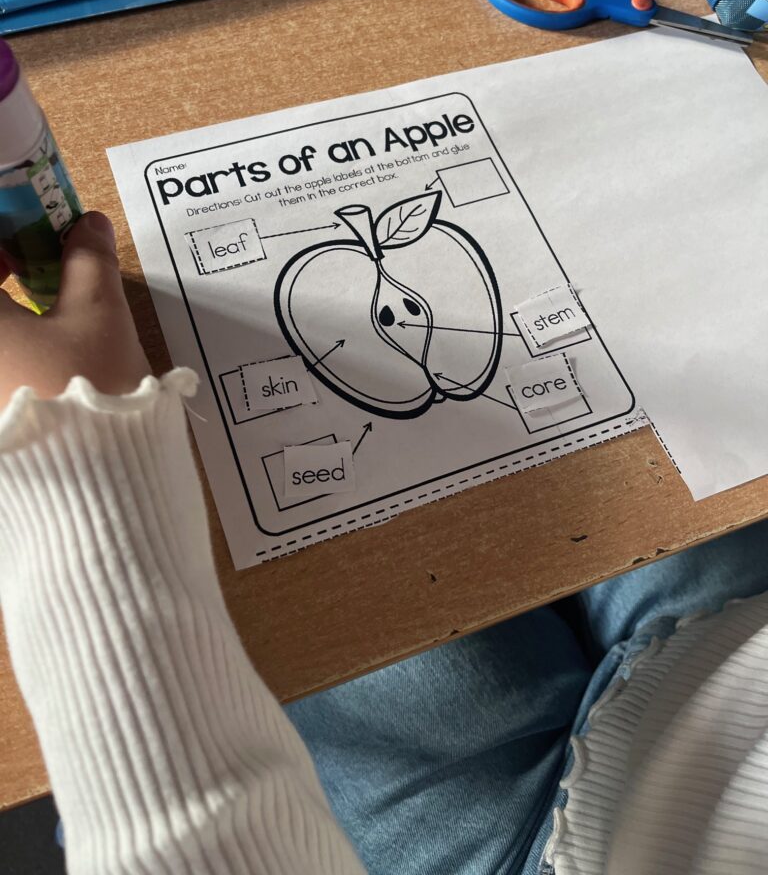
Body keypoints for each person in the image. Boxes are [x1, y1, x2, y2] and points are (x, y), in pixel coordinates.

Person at [1, 212, 767, 875]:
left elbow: (191, 832)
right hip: (737, 660)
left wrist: (75, 458)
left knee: (273, 564)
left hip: (563, 848)